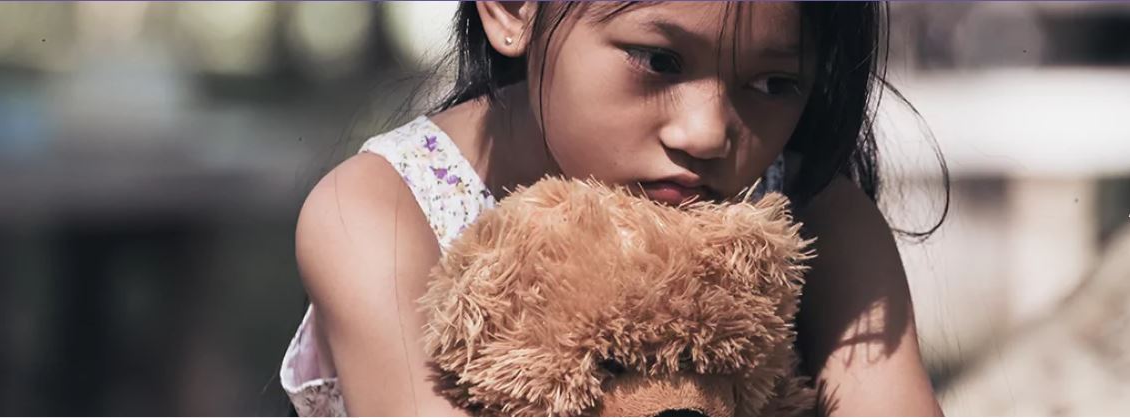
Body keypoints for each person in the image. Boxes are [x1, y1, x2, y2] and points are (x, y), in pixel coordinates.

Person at [280, 2, 946, 416]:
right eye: (659, 60)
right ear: (513, 9)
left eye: (773, 84)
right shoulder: (383, 209)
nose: (707, 132)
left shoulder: (808, 214)